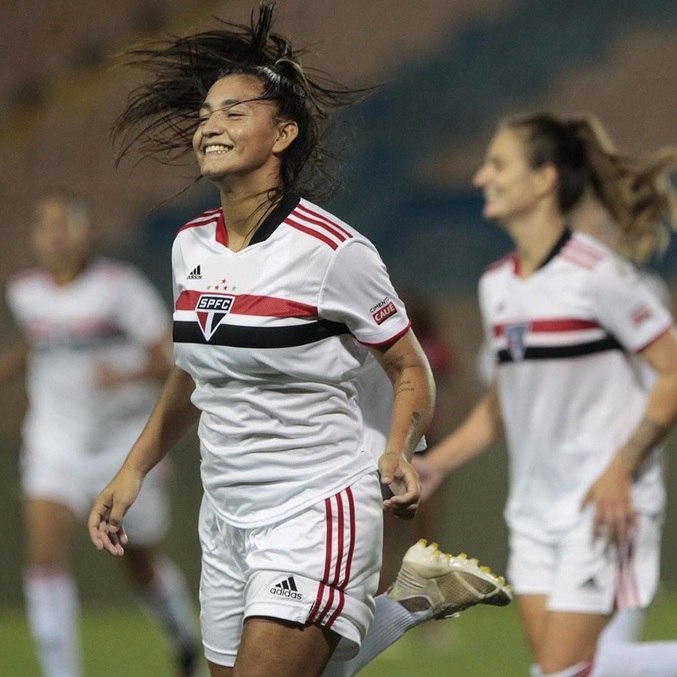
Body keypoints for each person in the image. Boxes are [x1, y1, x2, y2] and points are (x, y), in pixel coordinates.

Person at [415, 112, 677, 677]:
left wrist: (621, 469)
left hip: (605, 506)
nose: (482, 177)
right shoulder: (497, 286)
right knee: (559, 670)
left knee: (560, 671)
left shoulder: (600, 276)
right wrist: (434, 465)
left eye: (498, 164)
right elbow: (501, 405)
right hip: (534, 512)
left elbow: (672, 372)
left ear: (543, 180)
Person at [0, 191, 201, 677]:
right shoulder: (24, 293)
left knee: (138, 562)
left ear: (84, 230)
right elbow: (37, 344)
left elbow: (166, 359)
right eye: (45, 225)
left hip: (122, 448)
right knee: (44, 554)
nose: (55, 234)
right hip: (54, 443)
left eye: (64, 223)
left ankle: (183, 639)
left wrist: (124, 376)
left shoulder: (119, 288)